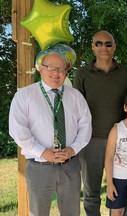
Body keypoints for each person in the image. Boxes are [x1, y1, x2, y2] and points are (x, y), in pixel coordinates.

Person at [9, 44, 92, 216]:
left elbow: (85, 126)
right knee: (38, 212)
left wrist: (73, 149)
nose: (56, 73)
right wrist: (42, 152)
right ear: (41, 68)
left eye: (61, 69)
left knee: (71, 213)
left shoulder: (75, 96)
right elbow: (18, 131)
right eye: (51, 68)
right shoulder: (24, 95)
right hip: (40, 167)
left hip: (70, 165)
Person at [73, 30, 127, 216]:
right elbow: (76, 108)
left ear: (114, 47)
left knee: (119, 189)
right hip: (91, 140)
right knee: (91, 192)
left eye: (108, 43)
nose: (104, 47)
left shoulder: (125, 73)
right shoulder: (82, 73)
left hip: (121, 141)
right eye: (99, 43)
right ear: (93, 47)